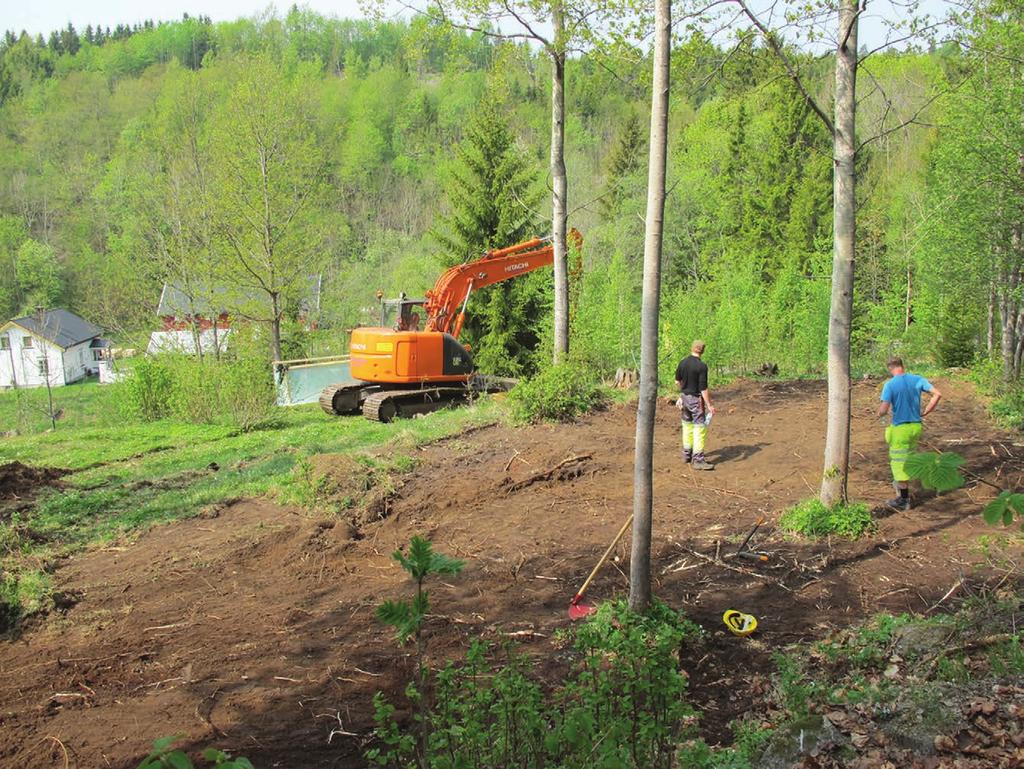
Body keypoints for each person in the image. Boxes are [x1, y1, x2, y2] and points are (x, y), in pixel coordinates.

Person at [878, 357, 942, 511]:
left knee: (899, 463)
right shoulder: (917, 379)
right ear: (902, 366)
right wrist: (927, 410)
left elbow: (883, 410)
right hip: (916, 427)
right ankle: (922, 486)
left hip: (901, 429)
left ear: (890, 368)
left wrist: (878, 413)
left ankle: (904, 499)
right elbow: (937, 394)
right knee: (910, 457)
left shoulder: (890, 385)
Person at [675, 340, 716, 470]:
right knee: (699, 428)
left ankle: (687, 455)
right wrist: (709, 405)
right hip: (696, 400)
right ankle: (698, 460)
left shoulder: (683, 362)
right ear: (702, 351)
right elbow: (703, 388)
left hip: (684, 398)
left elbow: (677, 381)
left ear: (692, 348)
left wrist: (683, 393)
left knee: (687, 425)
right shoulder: (701, 366)